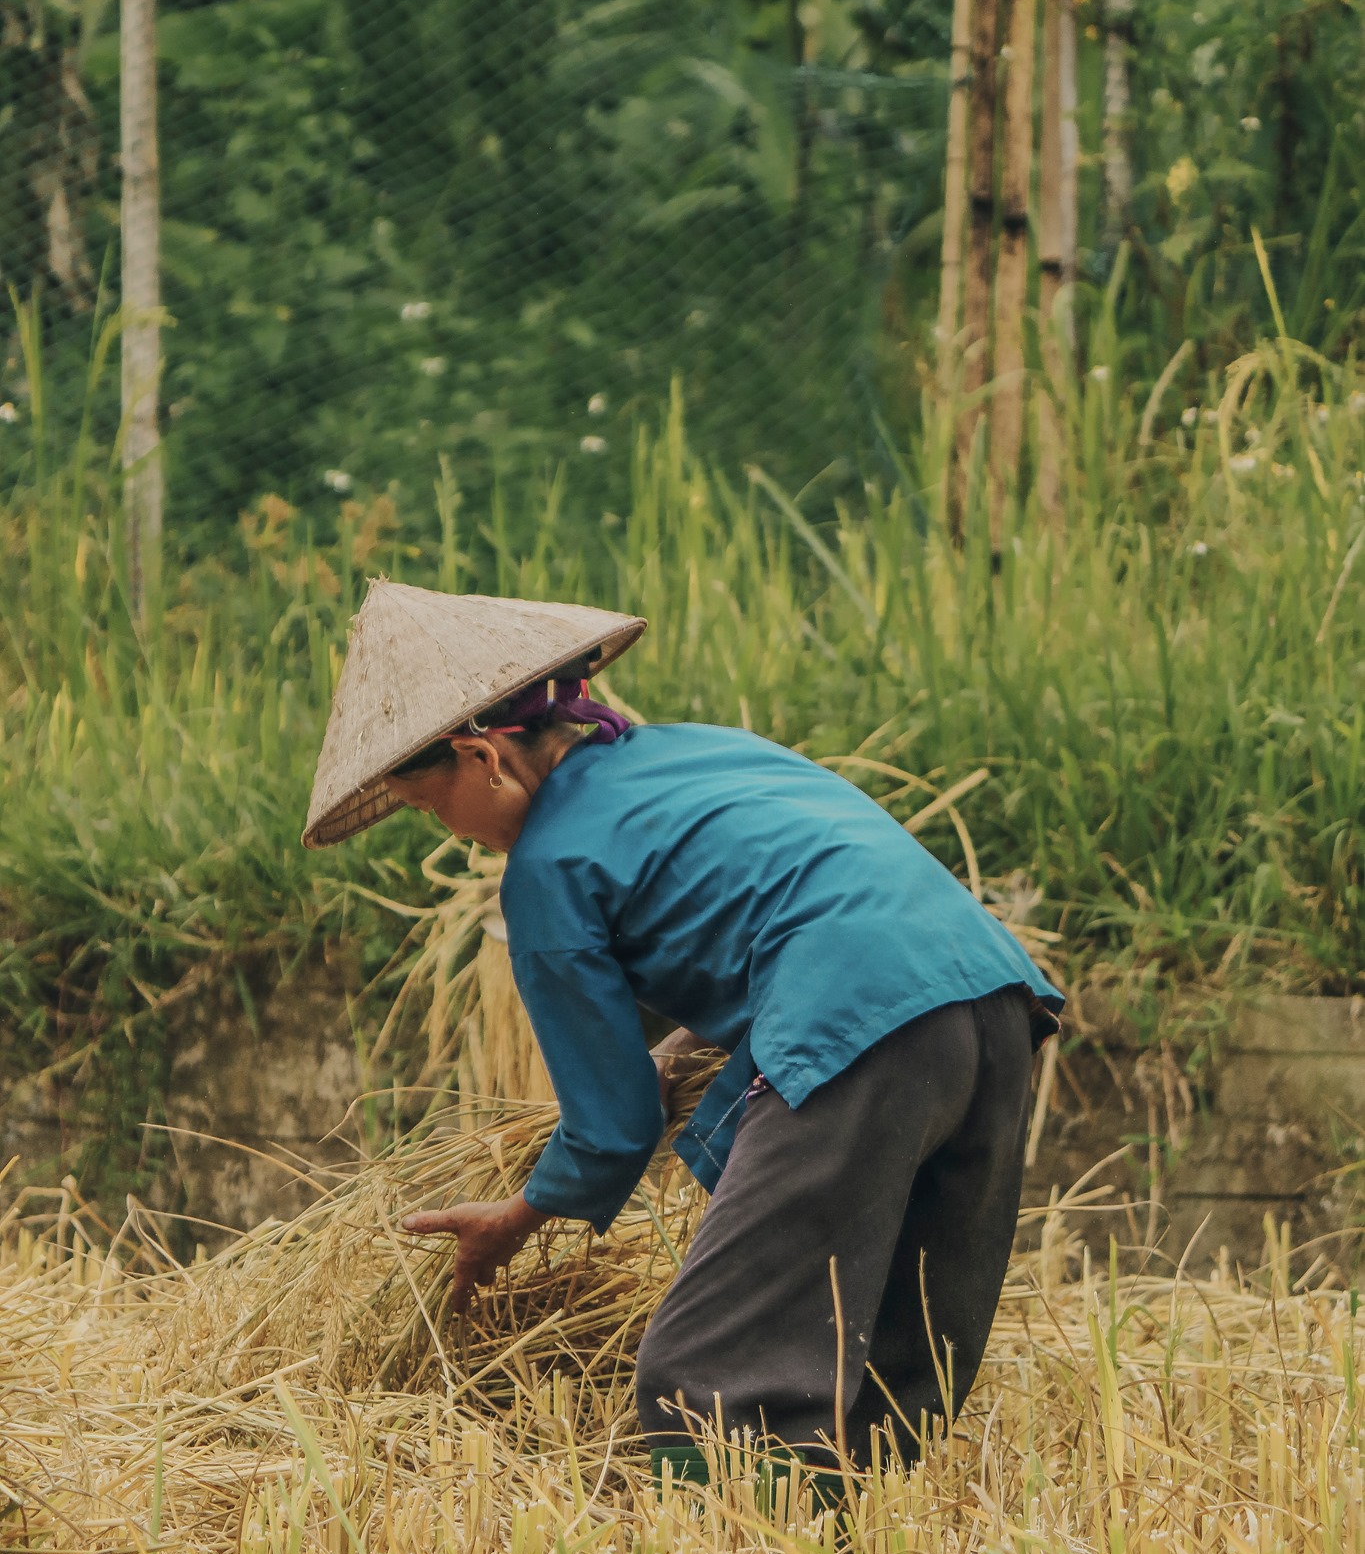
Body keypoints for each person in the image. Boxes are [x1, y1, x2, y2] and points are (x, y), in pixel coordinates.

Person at [304, 580, 1064, 1484]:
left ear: (482, 758)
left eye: (433, 809)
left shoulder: (546, 868)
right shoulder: (703, 753)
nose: (456, 834)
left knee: (715, 1377)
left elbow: (611, 1122)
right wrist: (681, 1056)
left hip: (856, 1030)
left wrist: (519, 1217)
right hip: (992, 1003)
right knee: (894, 1355)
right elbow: (808, 911)